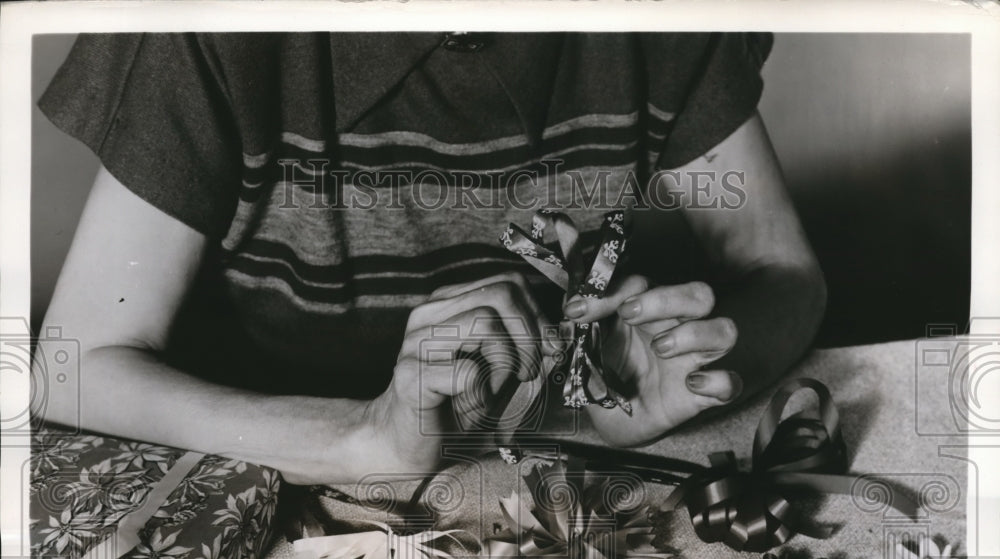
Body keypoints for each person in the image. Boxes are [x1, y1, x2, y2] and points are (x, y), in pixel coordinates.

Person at [33, 32, 826, 485]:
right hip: (283, 483)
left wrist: (681, 365)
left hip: (569, 465)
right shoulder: (202, 31)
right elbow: (73, 372)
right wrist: (365, 436)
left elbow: (780, 272)